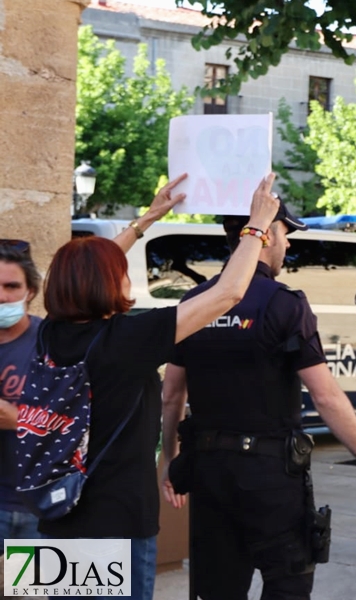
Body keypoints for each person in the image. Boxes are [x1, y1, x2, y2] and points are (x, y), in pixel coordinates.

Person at [33, 173, 280, 600]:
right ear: (109, 283)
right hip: (117, 526)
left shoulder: (49, 334)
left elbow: (83, 271)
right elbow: (227, 294)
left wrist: (146, 220)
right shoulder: (126, 340)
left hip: (55, 517)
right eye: (122, 271)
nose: (128, 276)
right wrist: (257, 227)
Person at [160, 198, 356, 600]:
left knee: (217, 589)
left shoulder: (193, 302)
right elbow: (326, 396)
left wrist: (169, 459)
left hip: (209, 470)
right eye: (286, 234)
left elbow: (171, 395)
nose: (287, 246)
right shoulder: (285, 303)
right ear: (265, 234)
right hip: (270, 477)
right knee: (288, 584)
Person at [0, 240, 42, 547]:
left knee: (24, 593)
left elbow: (83, 421)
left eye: (11, 286)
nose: (2, 296)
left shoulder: (54, 343)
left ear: (30, 291)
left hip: (39, 510)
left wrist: (20, 420)